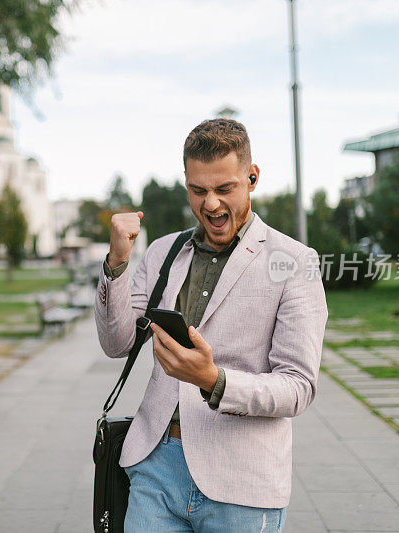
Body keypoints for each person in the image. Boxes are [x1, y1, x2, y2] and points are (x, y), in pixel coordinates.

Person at [94, 118, 327, 532]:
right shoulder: (164, 252)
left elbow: (298, 386)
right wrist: (116, 264)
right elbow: (117, 343)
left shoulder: (294, 262)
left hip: (243, 481)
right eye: (198, 190)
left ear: (252, 178)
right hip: (155, 466)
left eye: (225, 189)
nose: (212, 204)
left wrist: (214, 380)